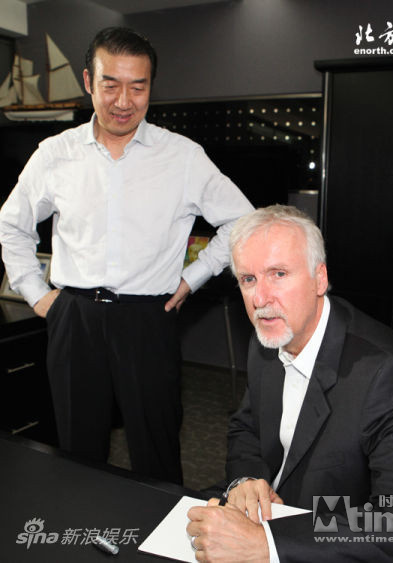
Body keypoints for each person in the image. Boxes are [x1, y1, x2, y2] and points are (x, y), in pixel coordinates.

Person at [0, 27, 253, 484]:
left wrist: (192, 278)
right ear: (88, 81)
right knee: (77, 452)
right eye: (110, 84)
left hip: (148, 319)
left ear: (151, 87)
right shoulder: (55, 154)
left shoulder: (182, 156)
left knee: (158, 451)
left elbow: (241, 220)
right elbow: (12, 224)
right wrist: (37, 295)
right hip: (74, 317)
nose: (124, 101)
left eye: (138, 87)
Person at [187, 205, 393, 561]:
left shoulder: (385, 375)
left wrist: (269, 547)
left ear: (319, 279)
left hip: (326, 538)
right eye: (248, 279)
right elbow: (246, 428)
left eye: (279, 274)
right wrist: (246, 481)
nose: (260, 299)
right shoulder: (268, 338)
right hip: (267, 515)